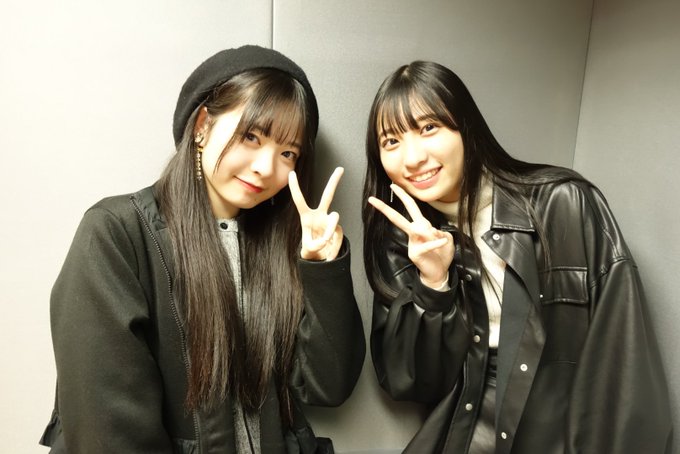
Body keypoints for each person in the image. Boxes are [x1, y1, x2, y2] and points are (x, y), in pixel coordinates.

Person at [40, 44, 365, 454]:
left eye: (288, 153)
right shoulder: (117, 233)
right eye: (251, 136)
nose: (267, 168)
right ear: (202, 126)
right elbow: (108, 430)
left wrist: (322, 270)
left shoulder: (277, 248)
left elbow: (327, 386)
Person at [362, 60, 672, 454]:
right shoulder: (402, 238)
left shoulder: (562, 203)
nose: (412, 158)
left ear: (466, 128)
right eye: (391, 141)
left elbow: (624, 362)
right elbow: (409, 383)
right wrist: (433, 285)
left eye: (428, 128)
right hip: (468, 432)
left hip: (566, 431)